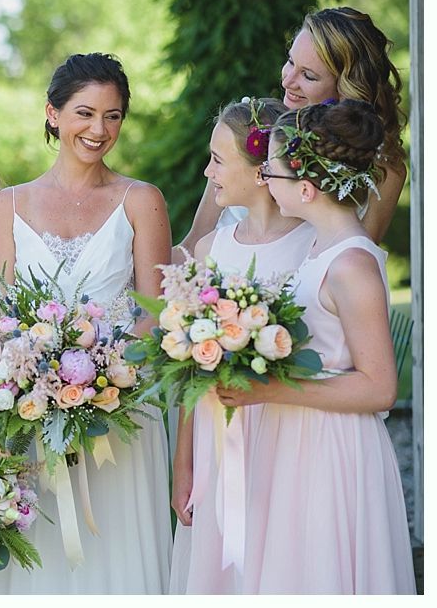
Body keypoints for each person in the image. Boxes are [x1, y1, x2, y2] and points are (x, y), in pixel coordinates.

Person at [0, 53, 173, 593]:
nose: (98, 129)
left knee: (117, 553)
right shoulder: (6, 205)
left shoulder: (141, 200)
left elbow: (152, 316)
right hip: (33, 411)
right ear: (52, 113)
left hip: (122, 411)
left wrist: (99, 382)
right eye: (85, 113)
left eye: (113, 116)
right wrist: (45, 383)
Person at [216, 100, 415, 593]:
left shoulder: (351, 264)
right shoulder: (315, 248)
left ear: (305, 187)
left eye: (273, 172)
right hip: (295, 439)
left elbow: (379, 389)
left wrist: (267, 391)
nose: (265, 179)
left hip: (331, 449)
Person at [167, 97, 315, 593]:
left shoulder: (312, 246)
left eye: (218, 159)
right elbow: (192, 365)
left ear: (261, 173)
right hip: (217, 434)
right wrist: (183, 461)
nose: (209, 172)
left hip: (286, 430)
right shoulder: (211, 250)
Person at [180, 6, 407, 254]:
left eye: (308, 76)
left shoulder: (383, 169)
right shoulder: (256, 123)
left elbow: (358, 261)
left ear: (346, 88)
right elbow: (193, 244)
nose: (287, 81)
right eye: (290, 61)